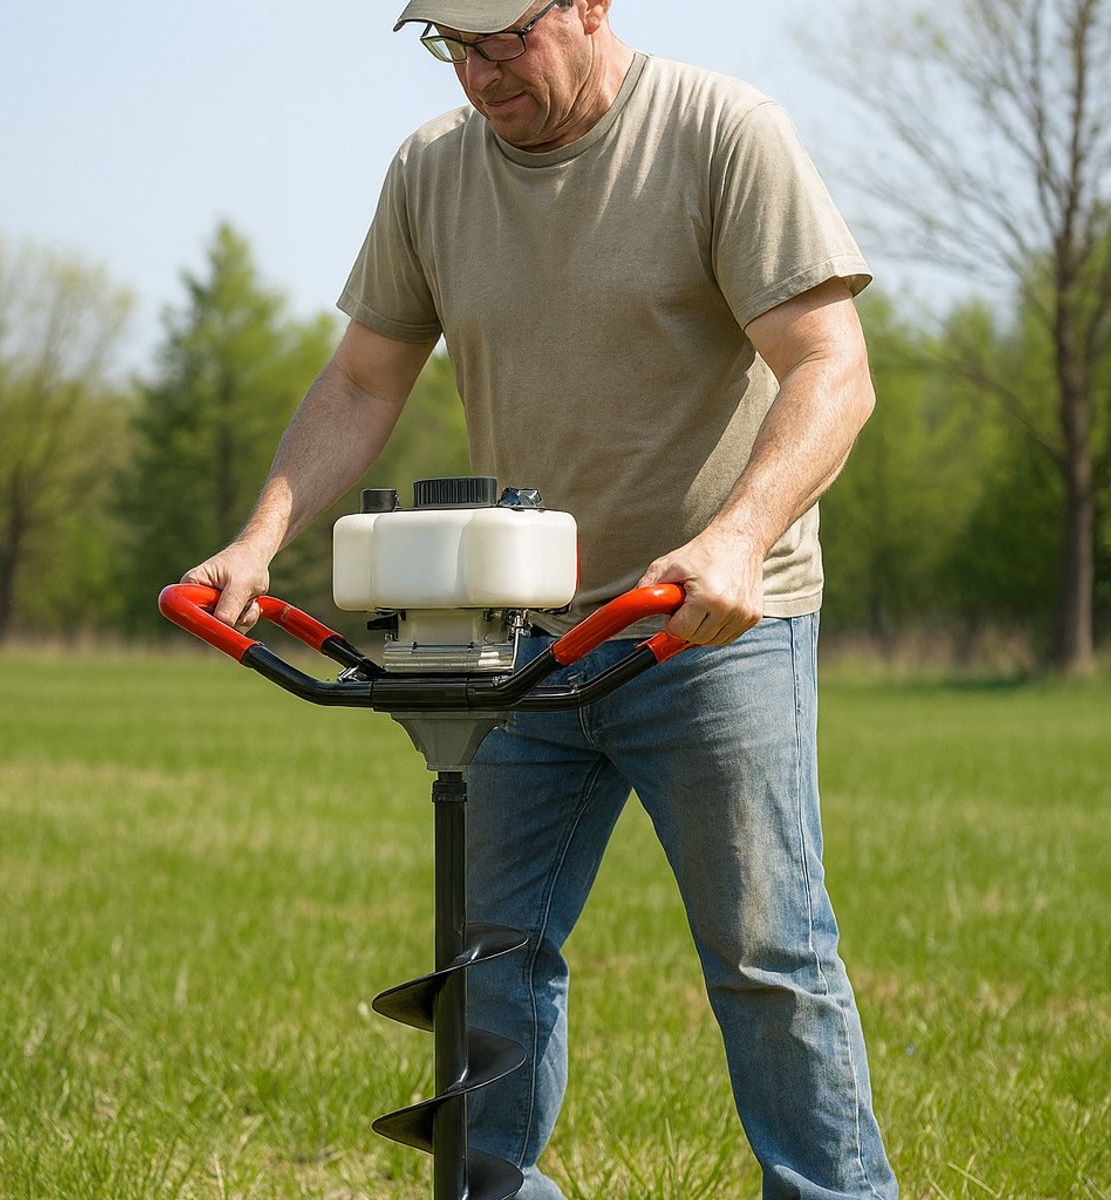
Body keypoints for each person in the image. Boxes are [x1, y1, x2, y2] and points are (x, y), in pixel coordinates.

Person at [183, 2, 899, 1196]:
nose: (478, 72)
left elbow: (836, 370)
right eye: (451, 46)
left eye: (504, 37)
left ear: (588, 6)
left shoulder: (722, 132)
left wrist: (734, 539)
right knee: (488, 958)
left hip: (708, 625)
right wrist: (259, 540)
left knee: (767, 958)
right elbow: (364, 378)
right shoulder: (431, 171)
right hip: (516, 643)